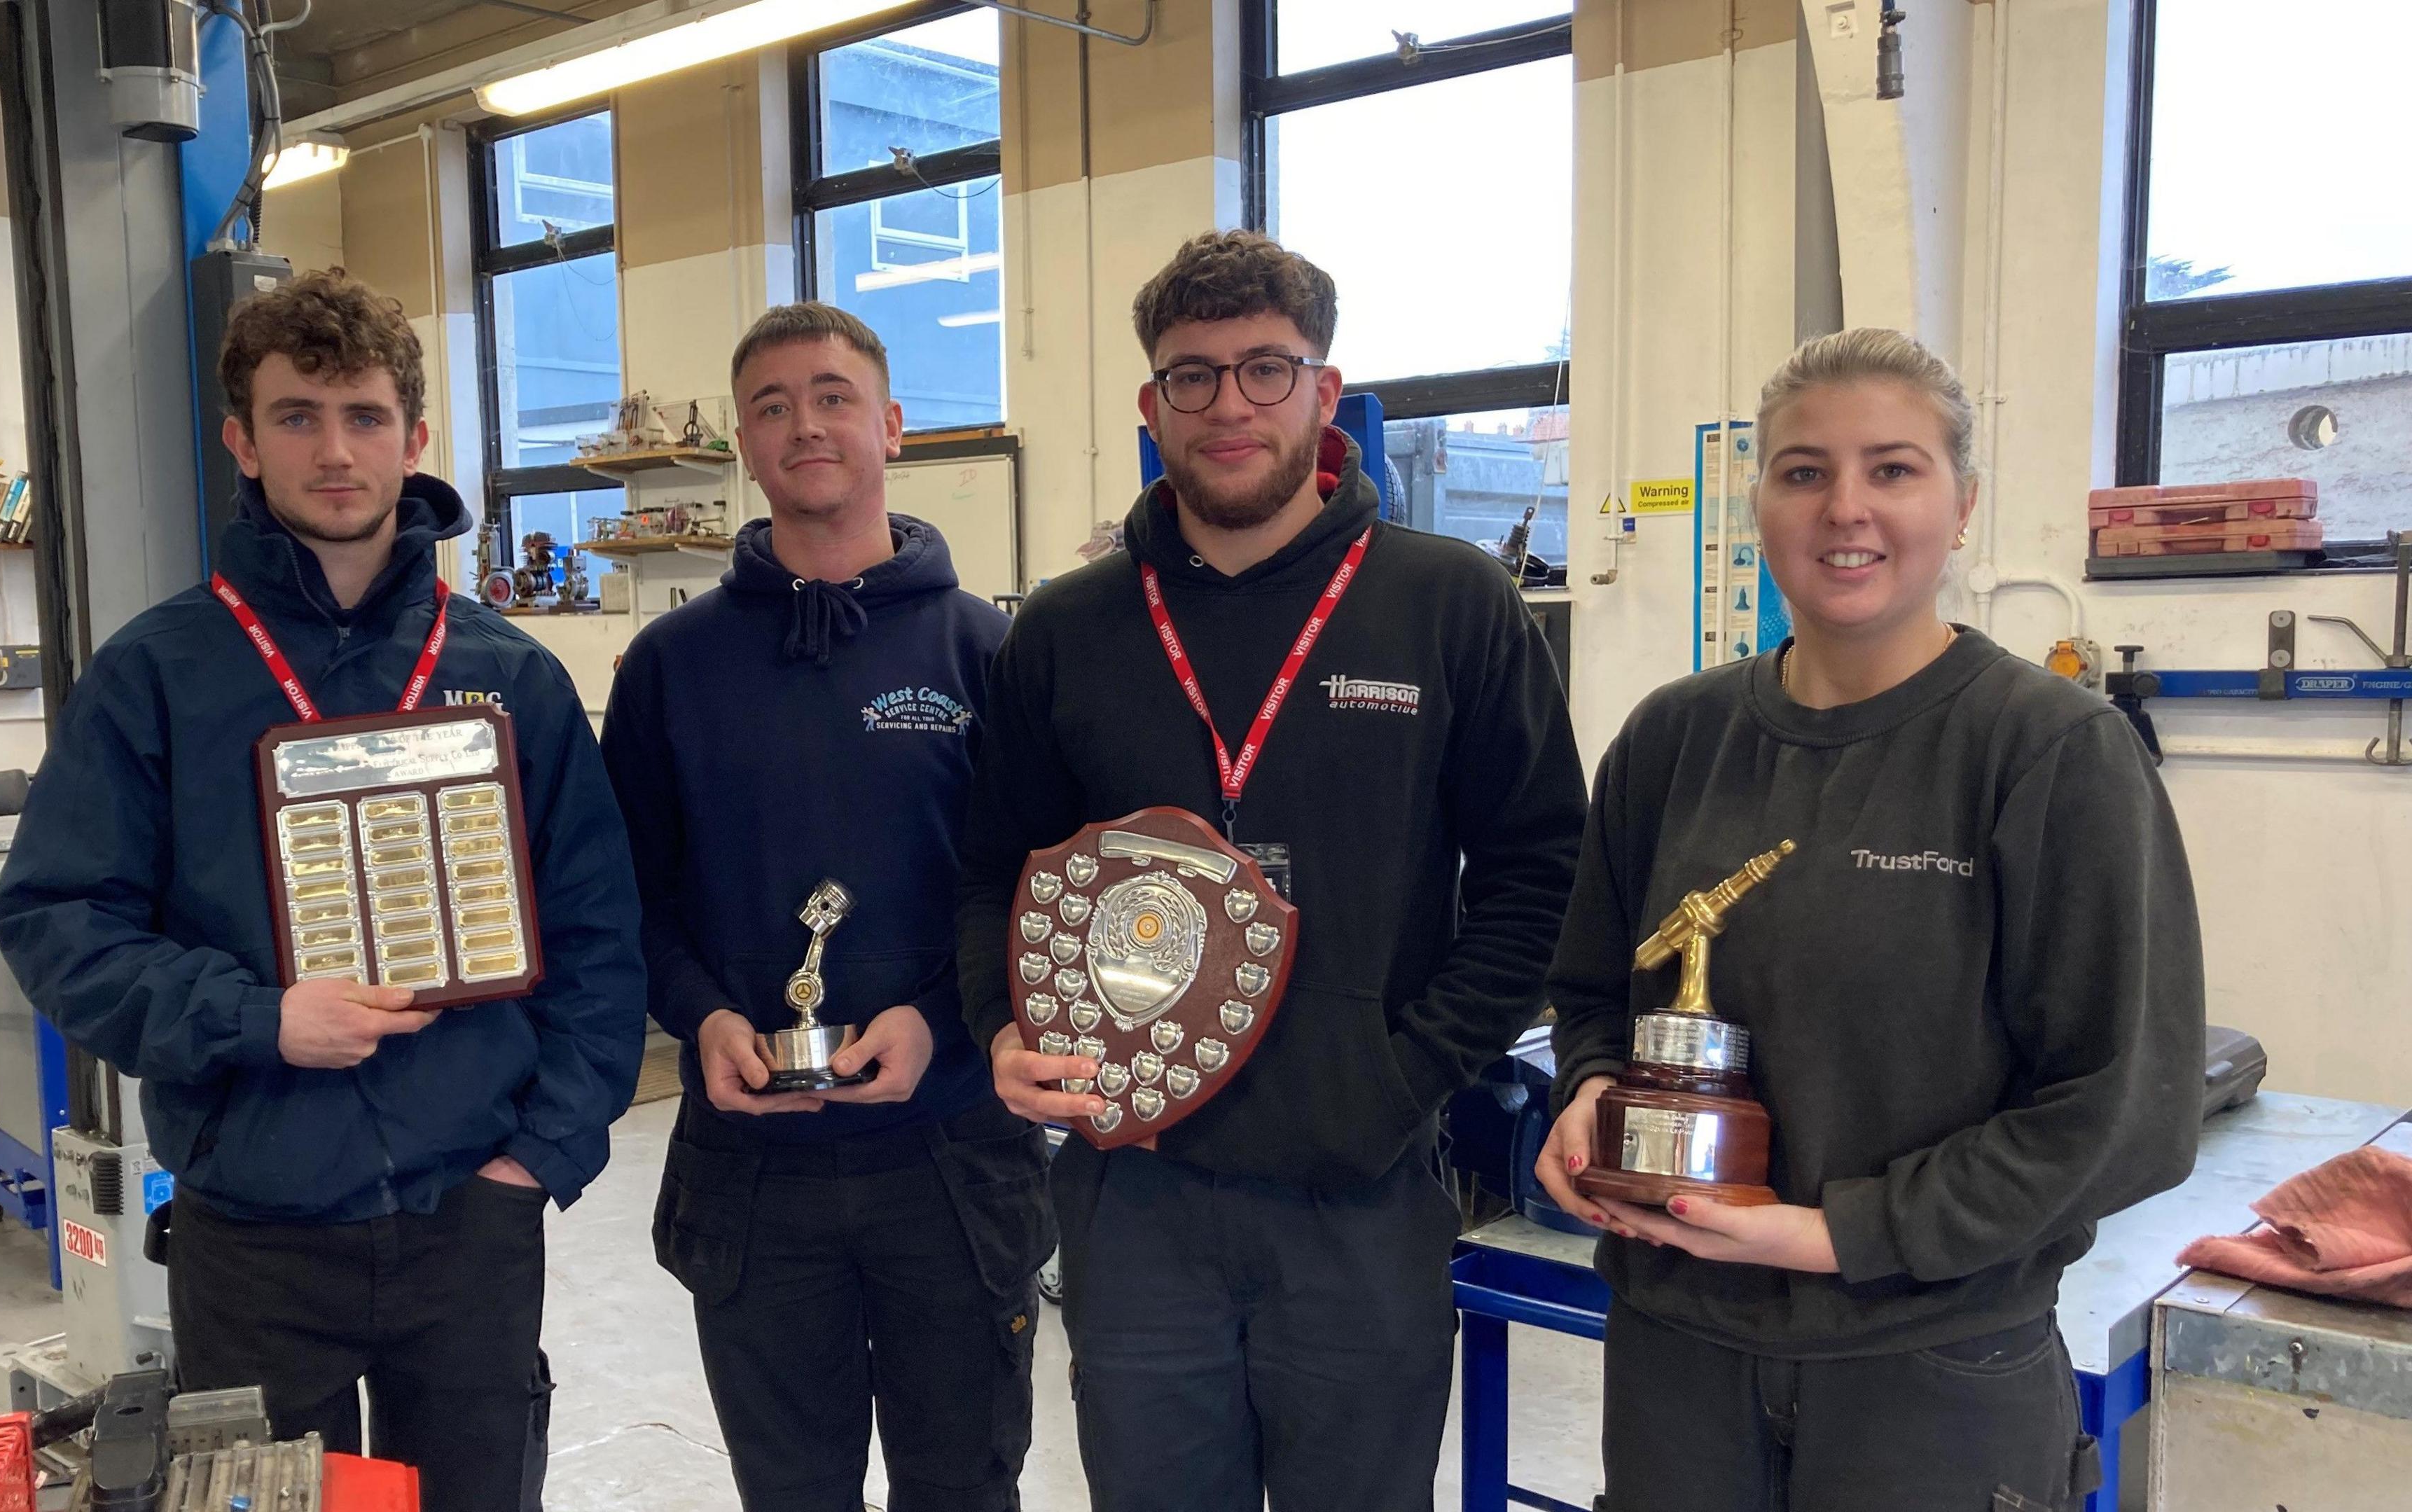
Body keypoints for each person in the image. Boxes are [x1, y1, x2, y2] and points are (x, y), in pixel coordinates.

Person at [0, 269, 645, 1511]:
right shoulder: (156, 675)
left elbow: (602, 938)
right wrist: (257, 1020)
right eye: (296, 417)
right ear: (242, 438)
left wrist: (540, 1157)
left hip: (473, 1214)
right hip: (253, 1228)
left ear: (416, 435)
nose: (334, 452)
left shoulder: (512, 676)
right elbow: (58, 921)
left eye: (363, 415)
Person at [955, 230, 1587, 1511]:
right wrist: (999, 1024)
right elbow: (989, 870)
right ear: (1151, 406)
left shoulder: (1452, 605)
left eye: (1265, 369)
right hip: (1136, 1194)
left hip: (1359, 1193)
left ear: (1324, 391)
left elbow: (1540, 873)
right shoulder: (1069, 629)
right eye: (1193, 377)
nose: (1229, 406)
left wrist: (1405, 1070)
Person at [1537, 327, 2205, 1511]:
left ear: (1963, 507)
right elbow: (1596, 989)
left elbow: (2120, 1111)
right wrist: (1590, 1090)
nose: (1846, 508)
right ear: (1760, 504)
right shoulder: (1672, 739)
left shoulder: (2050, 753)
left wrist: (1833, 1235)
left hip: (1931, 1366)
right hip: (1678, 1351)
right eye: (1804, 472)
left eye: (1893, 469)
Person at [602, 302, 1052, 1512]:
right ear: (744, 446)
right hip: (750, 1171)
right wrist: (697, 1015)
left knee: (963, 1486)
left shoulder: (988, 653)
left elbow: (1033, 893)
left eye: (834, 395)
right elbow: (631, 895)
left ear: (892, 426)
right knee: (789, 1492)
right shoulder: (670, 668)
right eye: (772, 405)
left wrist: (946, 1021)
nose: (805, 424)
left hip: (953, 1160)